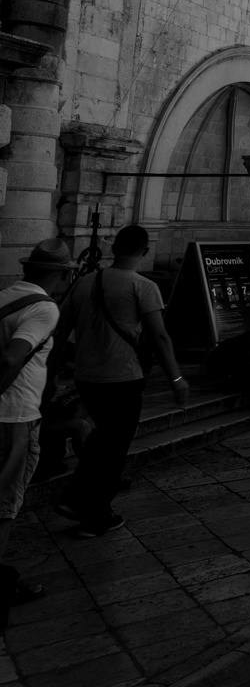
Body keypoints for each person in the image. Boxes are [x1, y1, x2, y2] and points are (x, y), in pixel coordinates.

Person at [57, 225, 187, 538]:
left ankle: (81, 500)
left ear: (114, 248)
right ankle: (91, 510)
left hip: (87, 377)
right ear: (144, 252)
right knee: (114, 446)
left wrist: (48, 375)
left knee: (105, 438)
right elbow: (158, 335)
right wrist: (177, 378)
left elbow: (60, 333)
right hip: (122, 377)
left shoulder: (84, 282)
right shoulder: (142, 286)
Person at [0, 239, 76, 616]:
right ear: (60, 275)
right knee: (3, 505)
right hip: (13, 419)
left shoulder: (4, 297)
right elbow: (14, 356)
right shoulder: (45, 309)